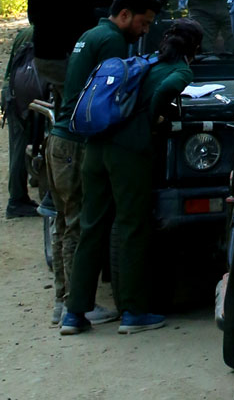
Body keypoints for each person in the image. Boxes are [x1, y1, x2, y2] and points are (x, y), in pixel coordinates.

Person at [61, 18, 203, 336]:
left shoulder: (144, 61)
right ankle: (133, 312)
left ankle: (74, 313)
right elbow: (166, 90)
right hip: (127, 153)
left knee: (91, 226)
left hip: (96, 148)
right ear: (194, 47)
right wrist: (154, 117)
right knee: (131, 227)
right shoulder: (180, 70)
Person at [47, 0, 162, 327]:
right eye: (143, 23)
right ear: (124, 14)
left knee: (75, 223)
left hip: (62, 137)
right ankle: (122, 309)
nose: (144, 31)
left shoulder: (91, 34)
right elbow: (114, 100)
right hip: (84, 141)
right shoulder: (113, 42)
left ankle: (71, 308)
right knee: (92, 224)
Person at [2, 24, 39, 218]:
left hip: (14, 92)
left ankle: (24, 191)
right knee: (19, 147)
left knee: (22, 143)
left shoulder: (28, 31)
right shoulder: (38, 32)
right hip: (19, 97)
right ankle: (16, 200)